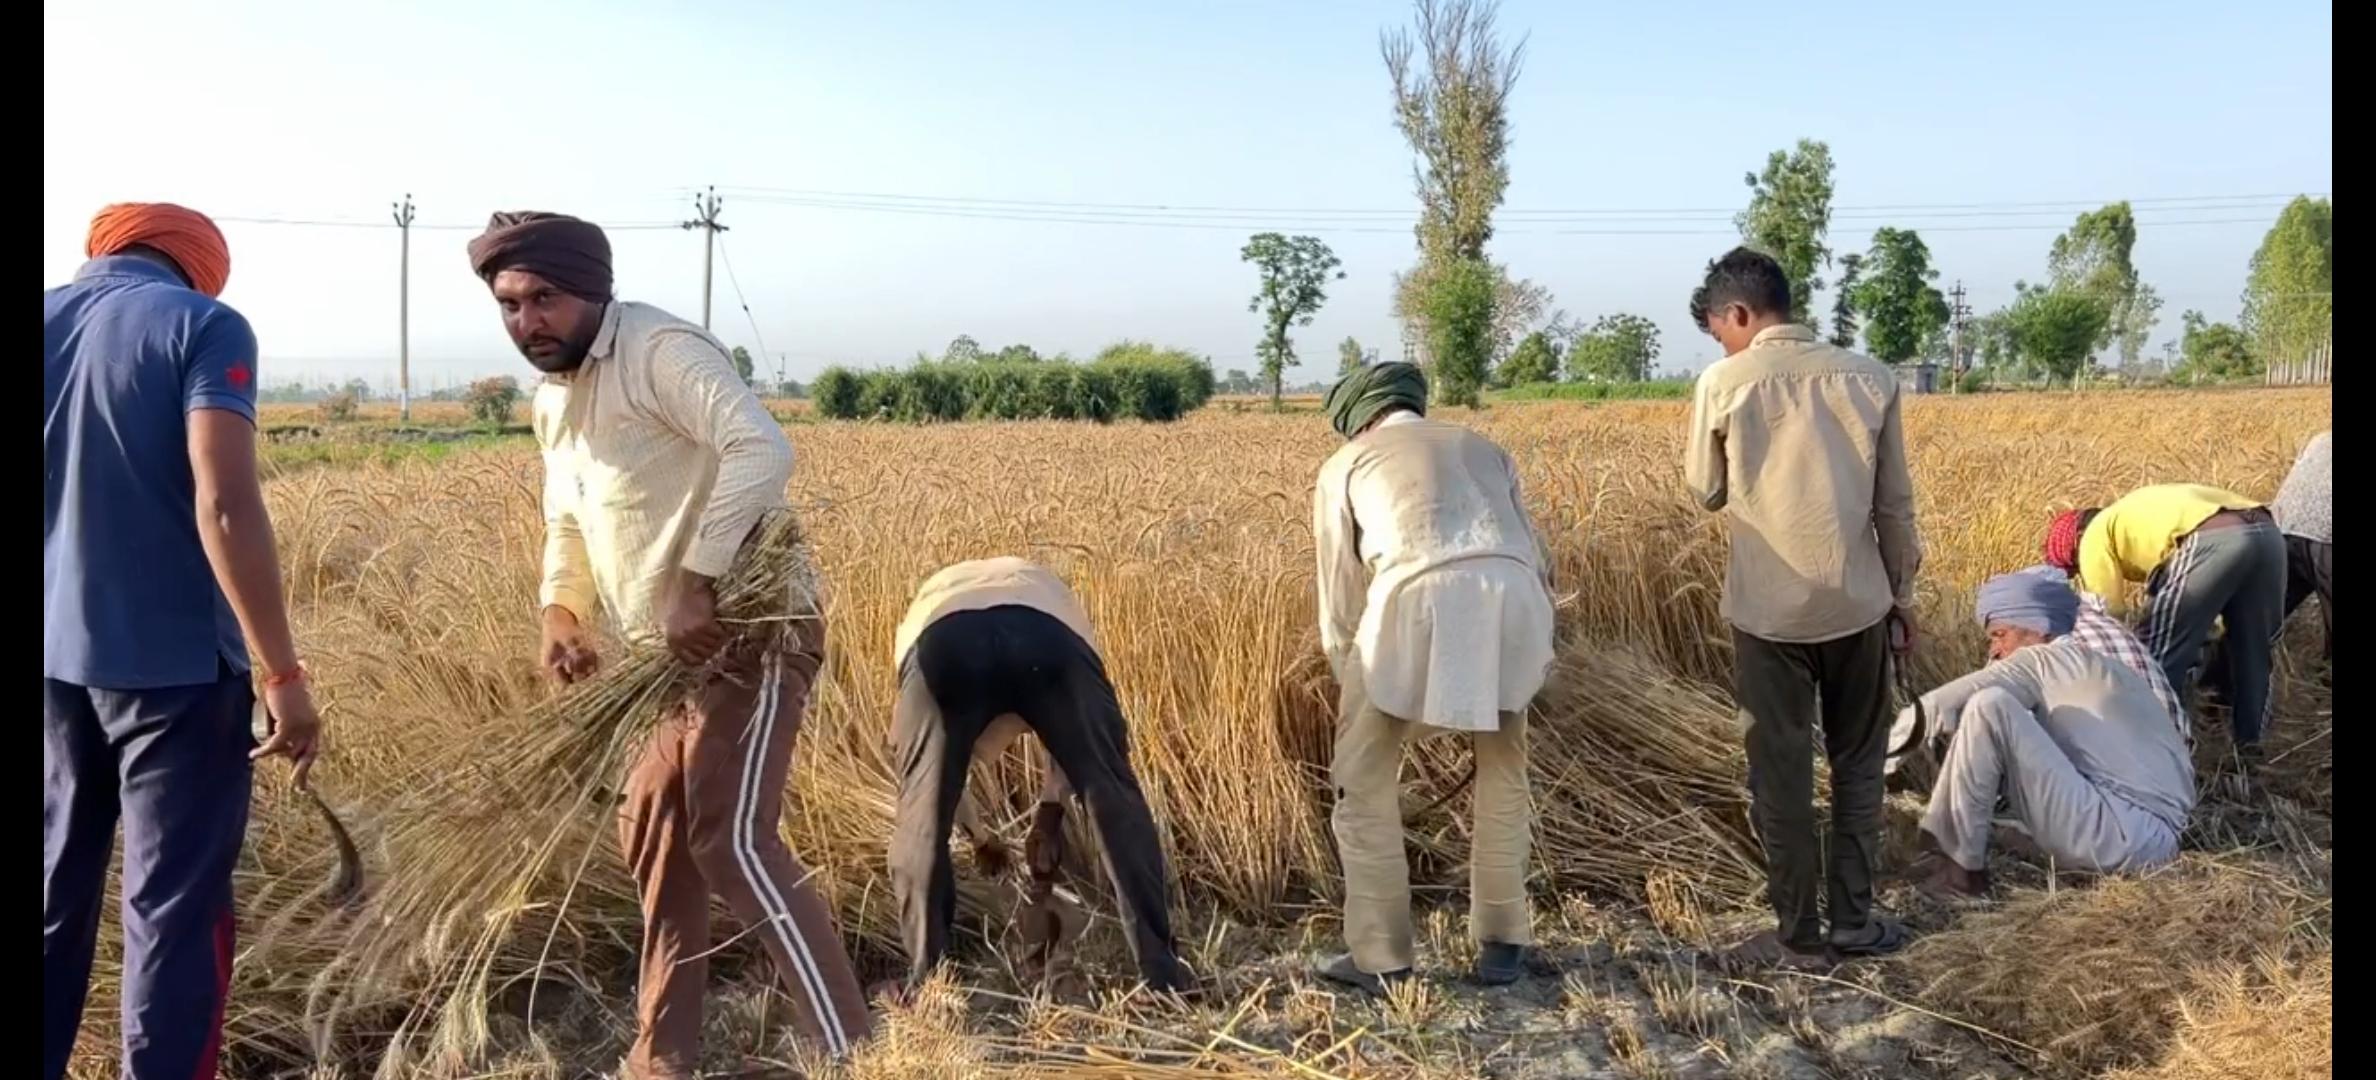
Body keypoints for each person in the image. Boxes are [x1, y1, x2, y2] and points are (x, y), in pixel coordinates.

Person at [468, 211, 868, 1077]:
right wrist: (561, 613)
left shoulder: (659, 351)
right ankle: (662, 1059)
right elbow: (567, 519)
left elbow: (760, 447)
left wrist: (698, 575)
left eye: (545, 298)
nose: (528, 321)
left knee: (731, 838)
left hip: (751, 631)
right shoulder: (553, 402)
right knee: (655, 831)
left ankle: (853, 1053)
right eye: (509, 304)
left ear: (593, 290)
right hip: (663, 663)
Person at [45, 203, 324, 1080]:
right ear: (199, 266)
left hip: (53, 666)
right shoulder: (204, 324)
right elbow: (226, 504)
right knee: (173, 911)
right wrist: (282, 673)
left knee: (52, 890)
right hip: (177, 678)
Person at [1684, 247, 1921, 970]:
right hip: (1859, 605)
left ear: (1738, 313)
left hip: (1769, 614)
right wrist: (1901, 598)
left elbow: (1705, 490)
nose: (1722, 344)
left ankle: (1798, 932)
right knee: (1859, 765)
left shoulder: (1723, 382)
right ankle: (1854, 921)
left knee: (1780, 774)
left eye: (1719, 330)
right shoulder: (1871, 377)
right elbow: (1895, 506)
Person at [1310, 362, 1557, 991]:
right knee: (1504, 770)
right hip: (1513, 599)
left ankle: (1381, 957)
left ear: (1357, 418)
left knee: (1363, 778)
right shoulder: (1485, 447)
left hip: (1411, 600)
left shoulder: (1347, 463)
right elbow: (1537, 555)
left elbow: (1339, 592)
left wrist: (1353, 678)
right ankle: (1504, 940)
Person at [886, 557, 1188, 994]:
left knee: (920, 815)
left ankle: (927, 984)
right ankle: (1163, 975)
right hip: (1047, 634)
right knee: (1110, 791)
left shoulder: (916, 620)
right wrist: (1049, 814)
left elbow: (933, 791)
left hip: (942, 641)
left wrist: (982, 840)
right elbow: (1075, 746)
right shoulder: (1056, 598)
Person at [1888, 568, 2195, 900]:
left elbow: (1932, 709)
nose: (1994, 650)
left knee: (1989, 705)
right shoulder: (2108, 668)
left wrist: (1869, 770)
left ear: (2037, 628)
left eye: (1999, 634)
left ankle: (1955, 877)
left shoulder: (2041, 660)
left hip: (2119, 835)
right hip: (2159, 843)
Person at [2042, 482, 2284, 762]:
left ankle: (2158, 754)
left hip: (2211, 538)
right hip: (2268, 534)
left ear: (2076, 539)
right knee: (2254, 651)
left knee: (2156, 655)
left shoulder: (2093, 535)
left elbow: (2107, 615)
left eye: (2075, 565)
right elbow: (2207, 617)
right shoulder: (2132, 515)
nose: (2080, 570)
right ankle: (2250, 752)